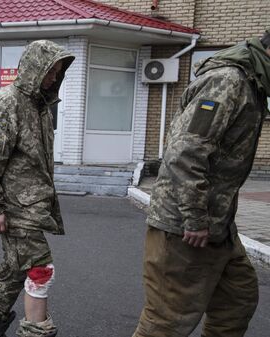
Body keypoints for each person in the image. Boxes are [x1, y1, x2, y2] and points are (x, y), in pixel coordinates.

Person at [132, 29, 270, 337]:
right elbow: (184, 153)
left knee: (237, 300)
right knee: (166, 321)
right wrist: (194, 218)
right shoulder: (228, 81)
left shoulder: (253, 81)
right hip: (186, 224)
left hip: (217, 223)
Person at [0, 40, 73, 337]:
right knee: (41, 270)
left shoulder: (39, 106)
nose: (54, 78)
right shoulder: (7, 102)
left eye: (57, 72)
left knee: (14, 270)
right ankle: (36, 332)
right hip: (16, 208)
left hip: (33, 205)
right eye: (50, 71)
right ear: (34, 69)